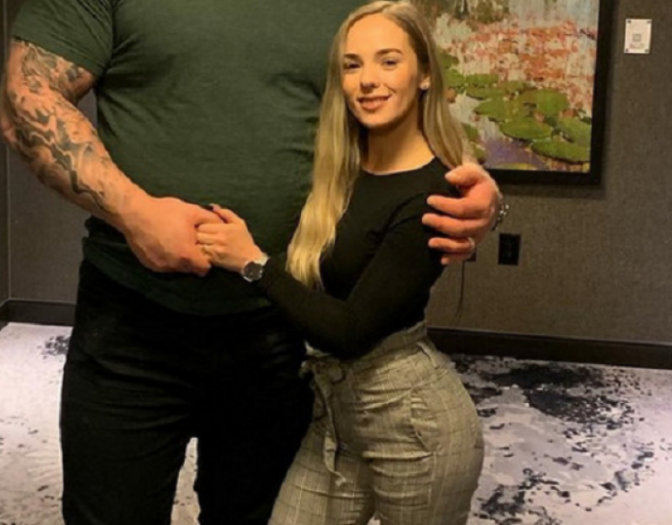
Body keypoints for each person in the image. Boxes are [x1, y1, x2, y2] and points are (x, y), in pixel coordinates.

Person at [0, 1, 502, 524]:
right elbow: (23, 102)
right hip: (131, 323)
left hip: (282, 333)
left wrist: (477, 189)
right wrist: (134, 212)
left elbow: (398, 105)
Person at [198, 2, 484, 523]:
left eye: (389, 61)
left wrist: (252, 264)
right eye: (353, 65)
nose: (368, 80)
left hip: (413, 421)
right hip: (333, 412)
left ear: (424, 74)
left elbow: (350, 330)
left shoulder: (434, 194)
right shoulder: (341, 171)